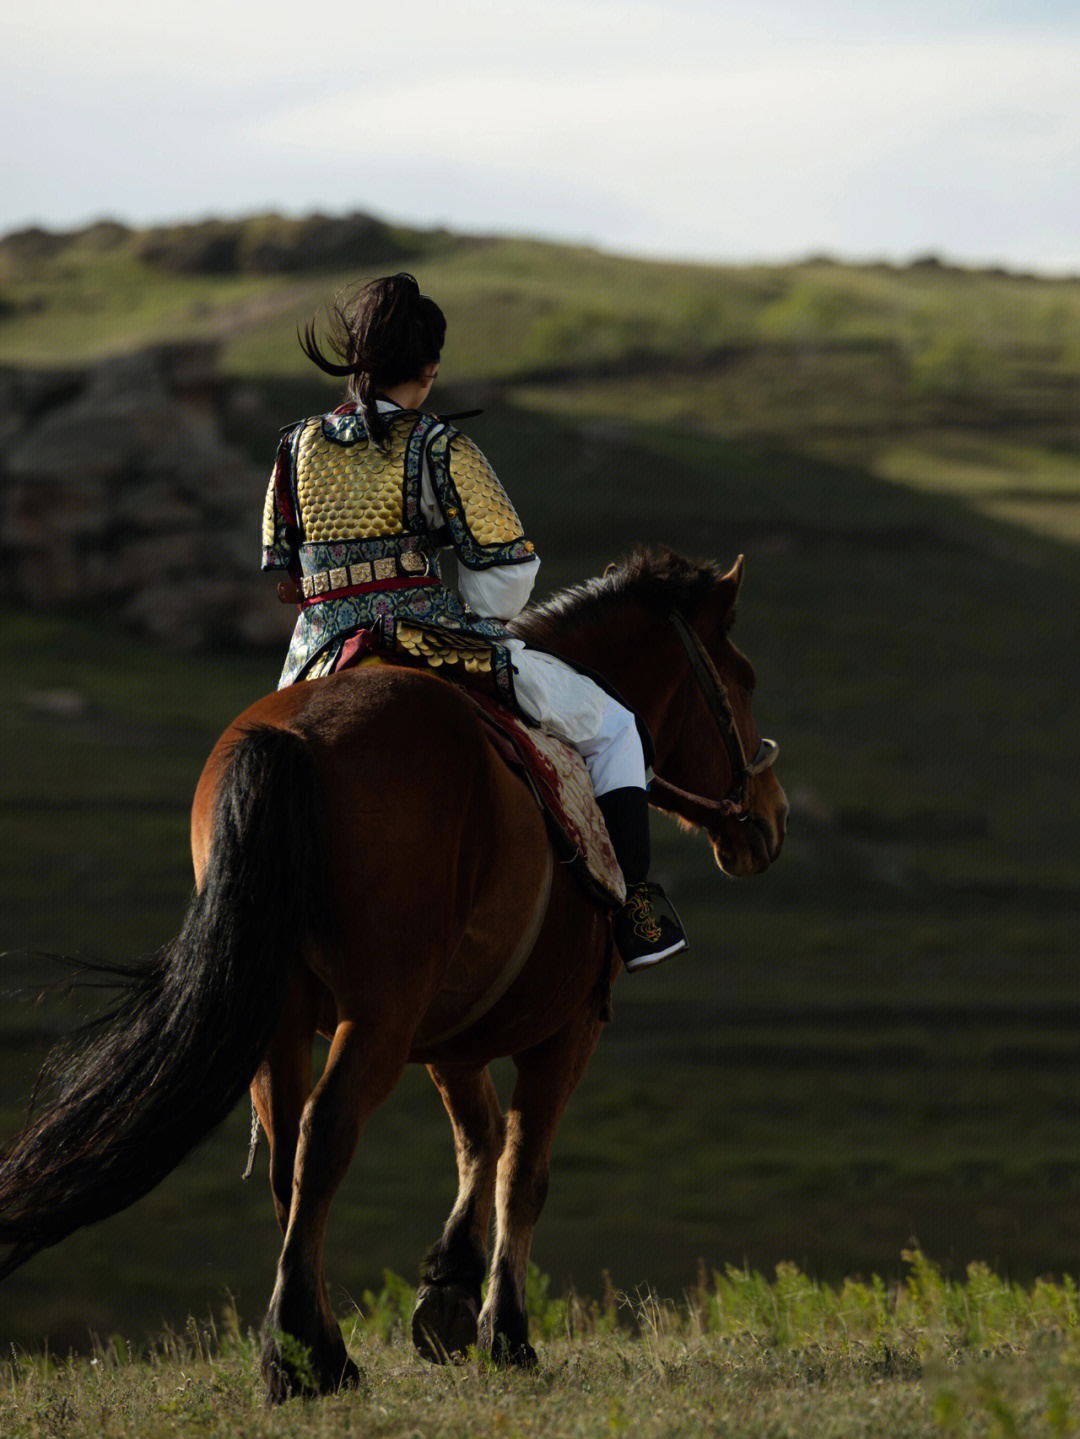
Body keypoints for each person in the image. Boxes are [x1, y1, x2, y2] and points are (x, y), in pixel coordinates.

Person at [261, 273, 686, 971]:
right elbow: (507, 573)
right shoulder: (439, 445)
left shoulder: (295, 448)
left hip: (316, 659)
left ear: (359, 364)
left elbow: (289, 578)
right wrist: (471, 615)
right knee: (612, 727)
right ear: (428, 372)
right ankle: (635, 911)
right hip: (429, 640)